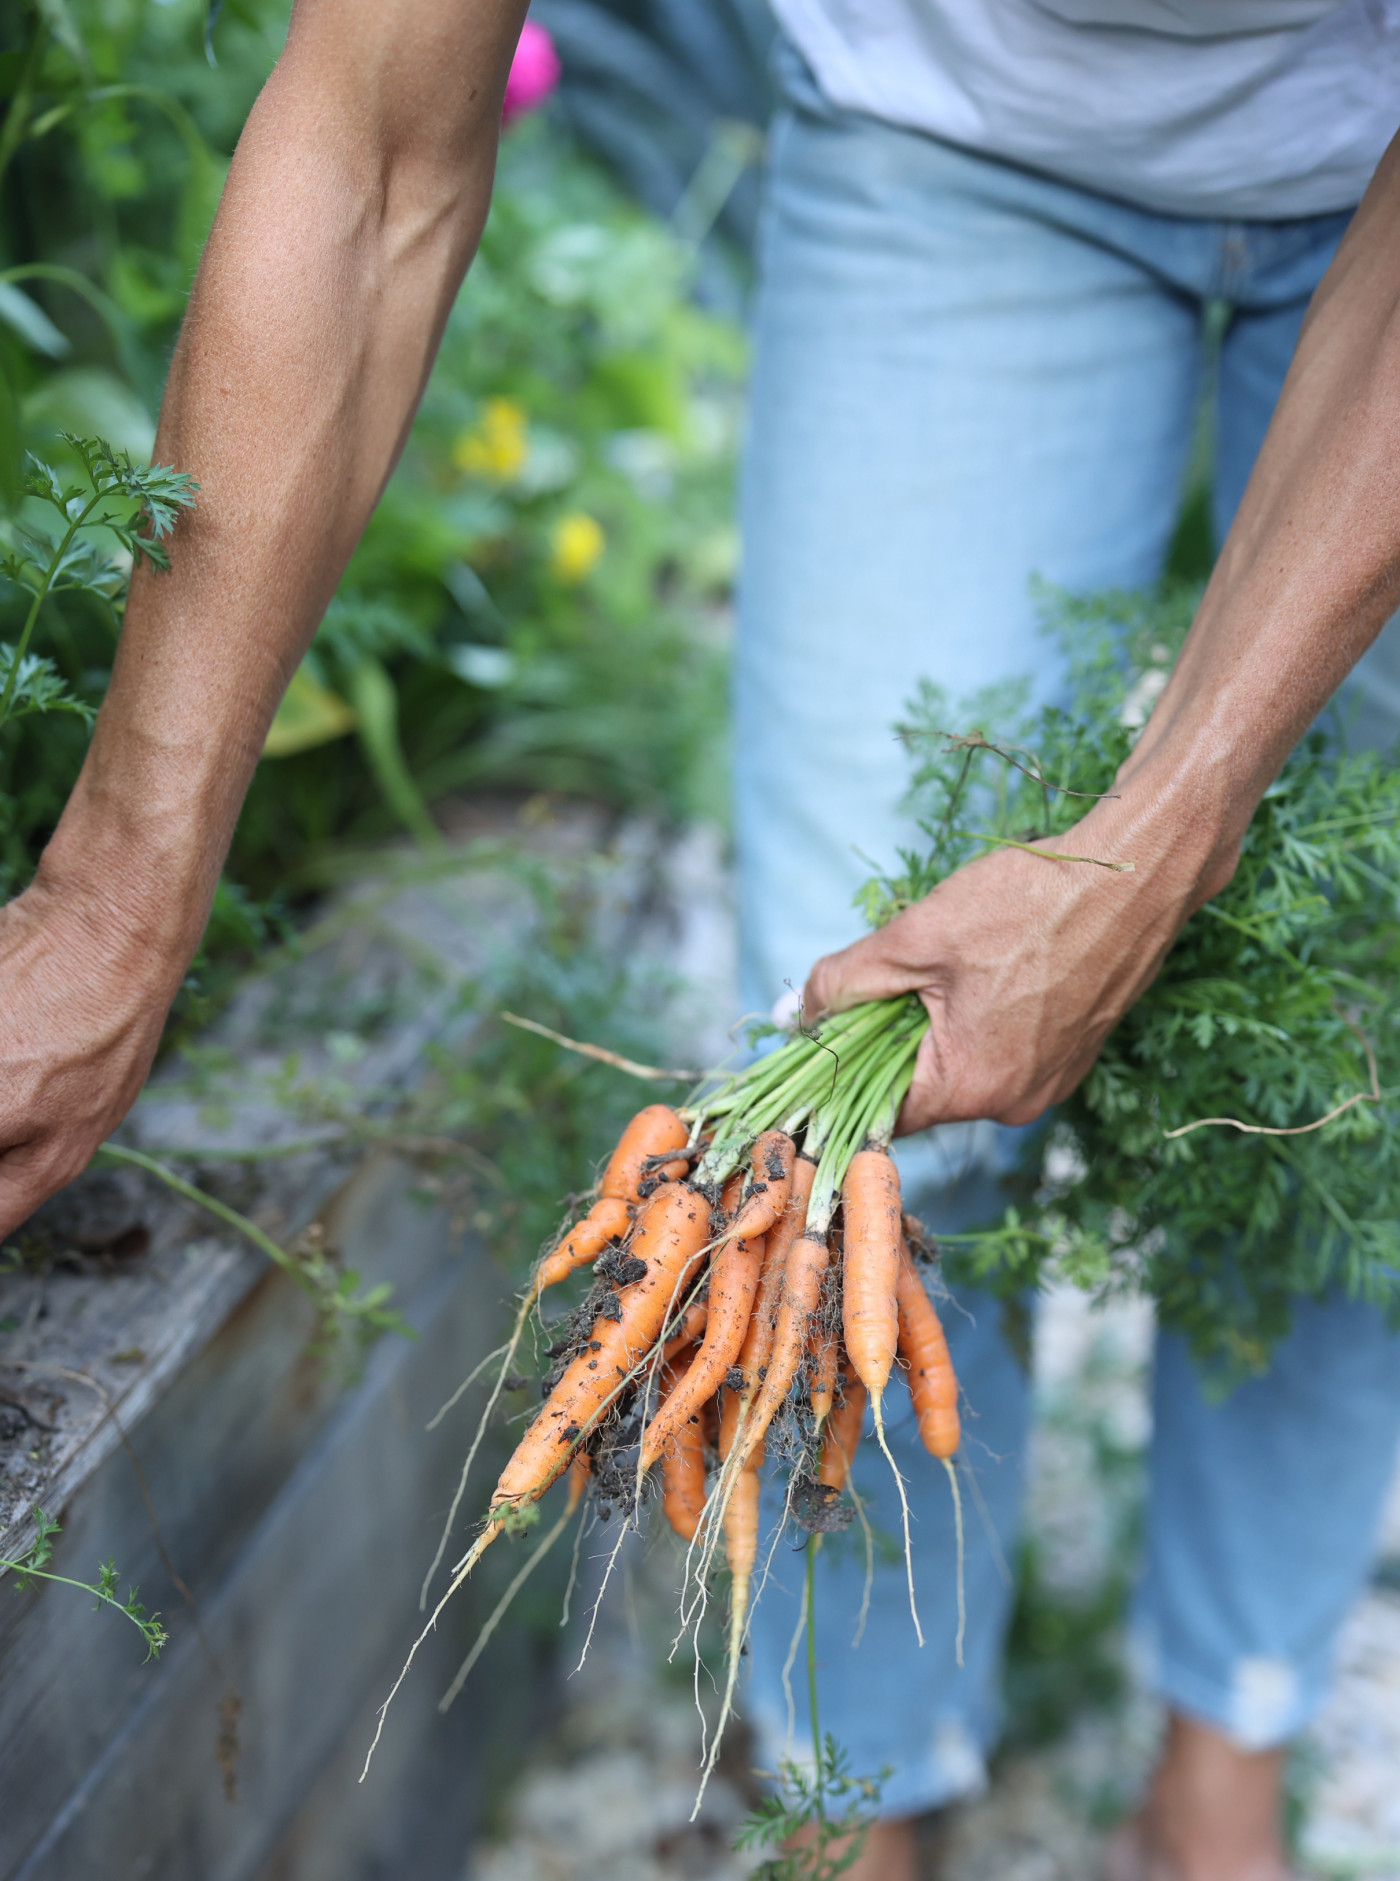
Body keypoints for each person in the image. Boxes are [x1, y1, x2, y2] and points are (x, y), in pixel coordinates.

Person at [0, 2, 1397, 1875]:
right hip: (953, 129)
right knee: (868, 1019)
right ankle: (864, 1786)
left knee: (1352, 1046)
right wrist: (110, 898)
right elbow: (376, 135)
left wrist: (1154, 847)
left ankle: (1231, 1724)